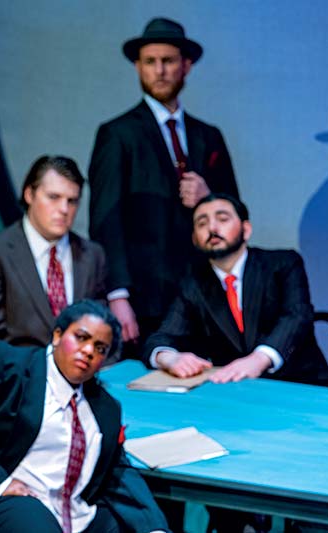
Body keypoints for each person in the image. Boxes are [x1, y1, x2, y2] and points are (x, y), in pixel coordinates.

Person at [0, 300, 169, 533]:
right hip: (7, 499)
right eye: (81, 338)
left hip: (72, 510)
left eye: (99, 347)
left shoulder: (104, 407)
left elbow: (118, 470)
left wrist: (153, 527)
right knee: (32, 520)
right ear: (58, 335)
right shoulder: (9, 367)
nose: (88, 351)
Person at [88, 17, 239, 357]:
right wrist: (118, 295)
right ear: (138, 67)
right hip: (146, 298)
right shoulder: (118, 133)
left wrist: (208, 198)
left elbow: (235, 210)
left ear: (186, 66)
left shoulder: (207, 135)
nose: (159, 70)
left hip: (205, 294)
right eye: (150, 62)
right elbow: (105, 219)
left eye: (168, 61)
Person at [143, 192, 328, 389]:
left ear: (246, 229)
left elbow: (297, 316)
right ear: (194, 239)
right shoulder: (193, 283)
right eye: (202, 223)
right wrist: (168, 358)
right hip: (237, 389)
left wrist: (260, 358)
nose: (212, 228)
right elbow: (163, 335)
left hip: (299, 384)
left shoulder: (283, 263)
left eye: (222, 219)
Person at [0, 155, 107, 356]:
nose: (64, 209)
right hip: (19, 379)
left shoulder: (92, 256)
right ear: (29, 194)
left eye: (72, 201)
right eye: (53, 197)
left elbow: (102, 331)